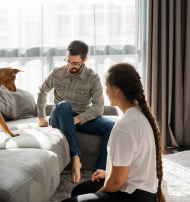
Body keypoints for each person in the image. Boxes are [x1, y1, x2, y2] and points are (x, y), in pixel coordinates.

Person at [61, 63, 166, 202]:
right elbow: (133, 166)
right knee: (79, 191)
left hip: (132, 197)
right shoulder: (142, 115)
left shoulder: (124, 126)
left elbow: (116, 183)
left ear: (116, 89)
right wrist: (108, 173)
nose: (106, 90)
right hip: (146, 194)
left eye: (106, 85)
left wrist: (100, 193)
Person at [37, 40, 115, 184]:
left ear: (84, 60)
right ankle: (76, 158)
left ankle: (99, 174)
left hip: (80, 118)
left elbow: (98, 108)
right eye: (68, 61)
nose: (70, 66)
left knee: (112, 127)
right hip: (59, 117)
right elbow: (42, 92)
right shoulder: (56, 73)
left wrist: (76, 120)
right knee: (64, 105)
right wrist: (41, 116)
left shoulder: (93, 78)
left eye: (75, 63)